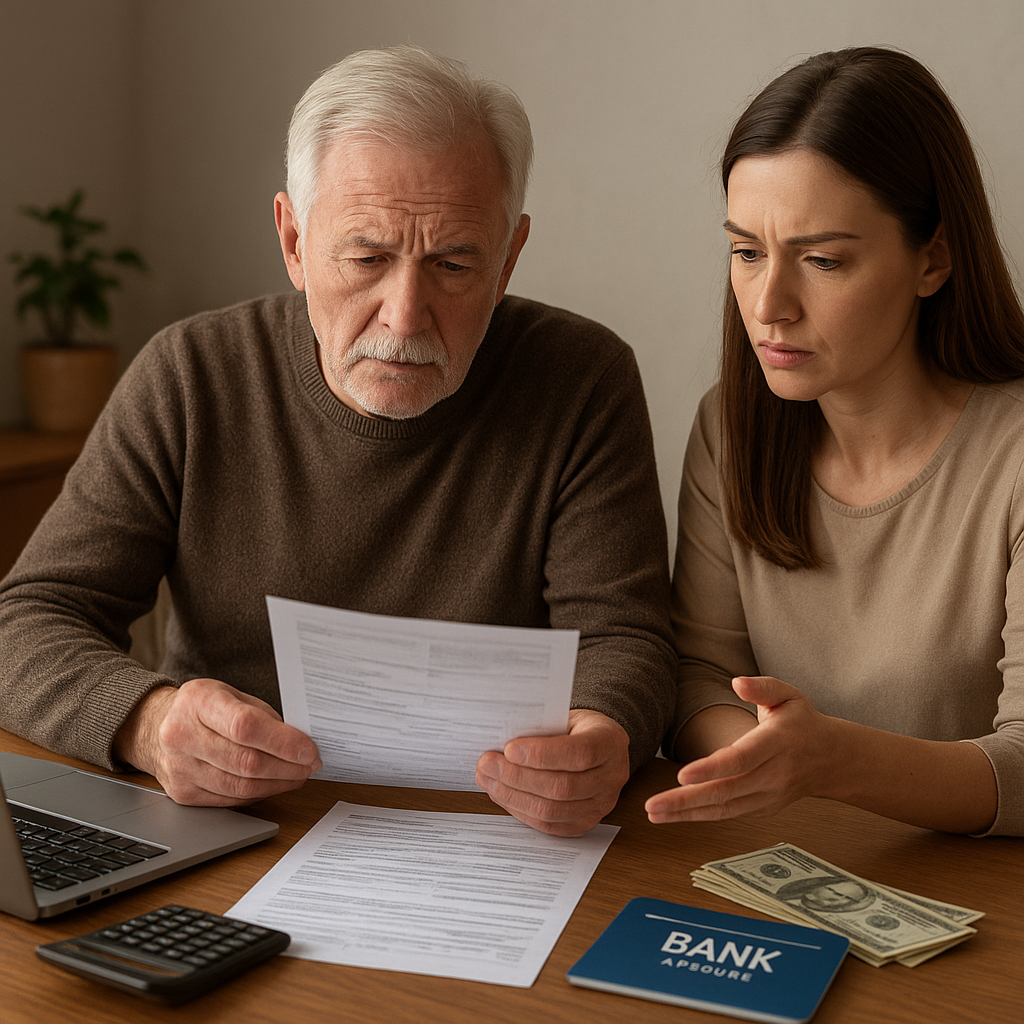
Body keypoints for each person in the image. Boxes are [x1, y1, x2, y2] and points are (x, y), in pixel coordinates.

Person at [0, 46, 676, 837]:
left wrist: (603, 731)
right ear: (294, 241)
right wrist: (147, 724)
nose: (404, 315)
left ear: (507, 259)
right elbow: (27, 622)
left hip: (492, 830)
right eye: (367, 258)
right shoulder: (190, 374)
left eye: (454, 264)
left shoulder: (582, 379)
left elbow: (624, 638)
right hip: (233, 820)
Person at [645, 47, 1024, 837]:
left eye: (822, 260)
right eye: (747, 252)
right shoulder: (730, 428)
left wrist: (828, 765)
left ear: (933, 259)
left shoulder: (1012, 455)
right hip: (795, 857)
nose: (769, 305)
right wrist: (772, 760)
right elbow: (696, 675)